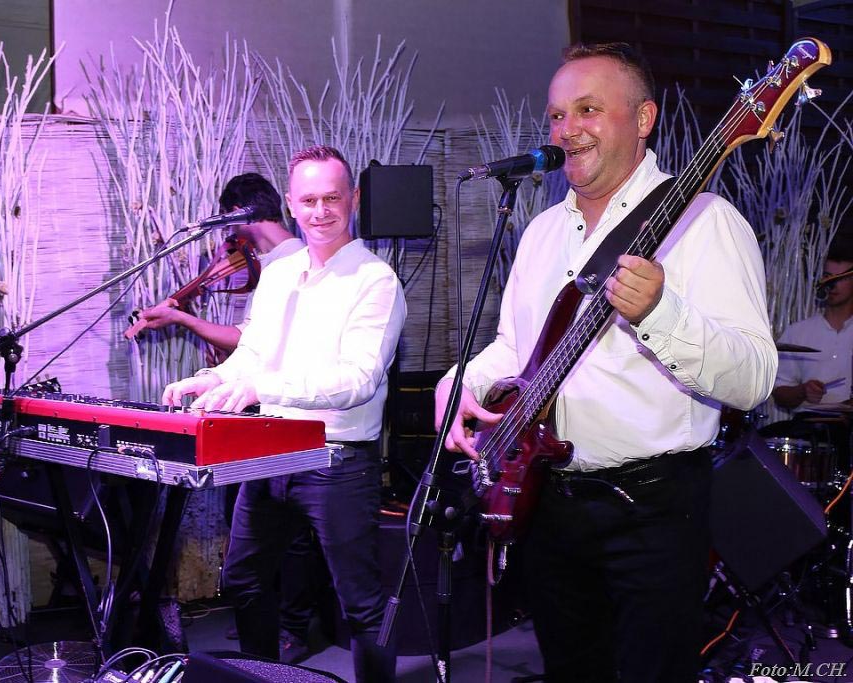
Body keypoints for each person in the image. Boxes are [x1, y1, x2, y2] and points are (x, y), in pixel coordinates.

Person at [434, 43, 777, 682]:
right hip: (549, 501)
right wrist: (459, 385)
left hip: (652, 510)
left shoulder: (706, 222)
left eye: (588, 109)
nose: (567, 129)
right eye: (557, 115)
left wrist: (660, 314)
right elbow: (515, 349)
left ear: (643, 119)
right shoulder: (541, 232)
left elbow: (755, 378)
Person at [163, 145, 406, 682]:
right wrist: (213, 379)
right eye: (309, 200)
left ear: (353, 199)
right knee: (244, 580)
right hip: (270, 453)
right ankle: (264, 678)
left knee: (361, 605)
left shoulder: (375, 280)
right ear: (290, 206)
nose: (321, 211)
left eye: (332, 198)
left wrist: (258, 386)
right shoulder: (280, 274)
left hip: (337, 460)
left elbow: (357, 381)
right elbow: (253, 352)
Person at [129, 172, 303, 353]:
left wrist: (179, 318)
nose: (230, 231)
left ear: (236, 214)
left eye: (228, 222)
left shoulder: (291, 261)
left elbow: (247, 339)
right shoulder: (276, 258)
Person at [773, 240, 853, 411]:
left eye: (841, 278)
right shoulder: (798, 332)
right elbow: (780, 393)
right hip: (809, 425)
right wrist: (803, 391)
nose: (832, 283)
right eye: (828, 276)